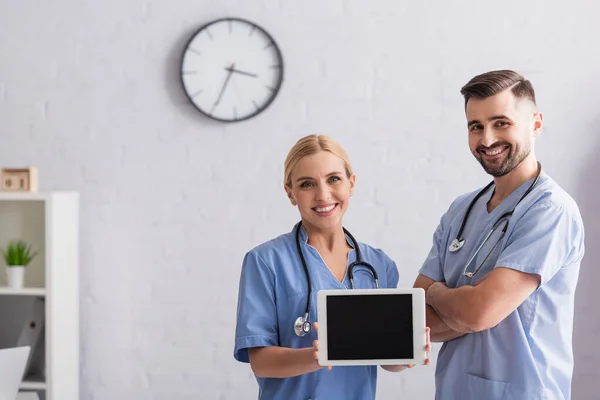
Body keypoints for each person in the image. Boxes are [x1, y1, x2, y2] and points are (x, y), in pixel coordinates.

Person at [414, 70, 585, 400]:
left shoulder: (550, 211)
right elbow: (415, 318)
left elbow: (479, 313)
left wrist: (436, 292)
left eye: (501, 123)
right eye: (475, 126)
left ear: (535, 124)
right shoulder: (460, 211)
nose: (487, 139)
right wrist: (469, 309)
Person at [234, 134, 431, 400]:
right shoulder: (265, 262)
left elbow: (385, 359)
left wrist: (409, 353)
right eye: (307, 184)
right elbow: (261, 361)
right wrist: (319, 356)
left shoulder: (378, 265)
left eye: (333, 179)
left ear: (351, 183)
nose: (323, 194)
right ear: (290, 193)